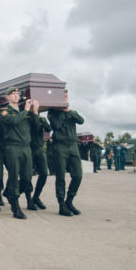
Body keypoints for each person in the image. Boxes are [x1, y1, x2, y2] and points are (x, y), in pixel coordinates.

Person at [0, 88, 38, 219]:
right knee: (14, 176)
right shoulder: (4, 111)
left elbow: (37, 127)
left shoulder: (24, 111)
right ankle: (15, 208)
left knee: (27, 178)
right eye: (13, 94)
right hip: (13, 147)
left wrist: (35, 112)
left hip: (26, 147)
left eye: (17, 94)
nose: (16, 96)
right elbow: (14, 121)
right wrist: (26, 111)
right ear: (7, 97)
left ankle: (9, 193)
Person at [48, 89, 84, 217]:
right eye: (62, 95)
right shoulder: (52, 112)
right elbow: (56, 126)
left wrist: (69, 111)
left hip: (73, 145)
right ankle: (61, 205)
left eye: (66, 95)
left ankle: (69, 201)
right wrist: (62, 112)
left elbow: (81, 120)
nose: (65, 97)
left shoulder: (71, 111)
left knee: (78, 175)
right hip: (60, 146)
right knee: (61, 177)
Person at [29, 107, 51, 208]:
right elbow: (34, 127)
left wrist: (42, 121)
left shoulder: (42, 119)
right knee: (27, 175)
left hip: (39, 148)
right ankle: (29, 199)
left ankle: (36, 197)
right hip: (28, 148)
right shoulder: (26, 118)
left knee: (44, 173)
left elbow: (48, 129)